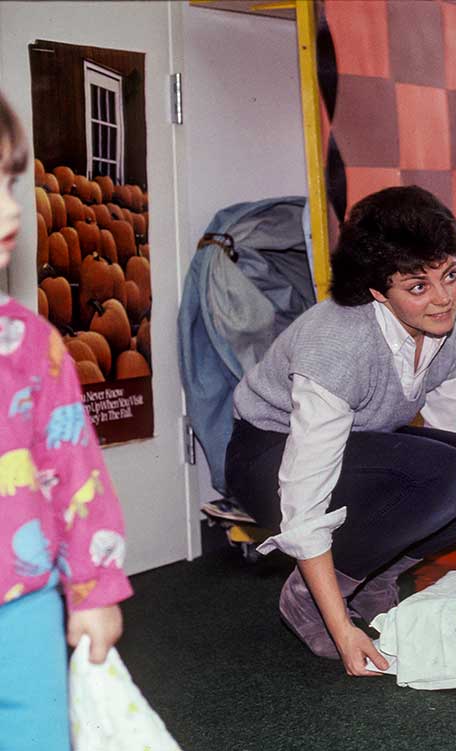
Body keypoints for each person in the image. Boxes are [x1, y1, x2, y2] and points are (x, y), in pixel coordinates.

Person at [225, 185, 456, 678]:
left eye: (450, 275)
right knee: (442, 475)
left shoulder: (453, 333)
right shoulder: (338, 342)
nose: (443, 299)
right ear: (377, 291)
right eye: (418, 287)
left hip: (358, 444)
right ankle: (310, 598)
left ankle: (373, 574)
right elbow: (304, 494)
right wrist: (340, 628)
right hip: (268, 454)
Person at [0, 91, 132, 750]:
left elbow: (76, 468)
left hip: (23, 602)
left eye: (8, 181)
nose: (11, 208)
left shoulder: (29, 342)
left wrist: (94, 587)